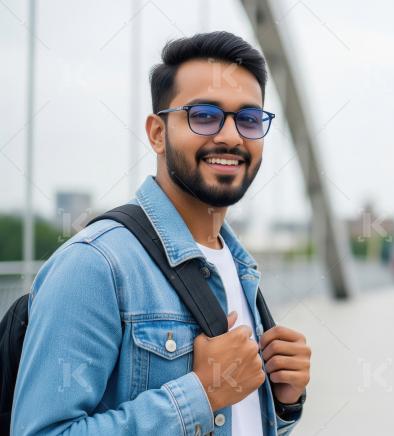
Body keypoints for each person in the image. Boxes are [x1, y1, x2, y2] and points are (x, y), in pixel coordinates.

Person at [12, 32, 310, 435]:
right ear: (157, 133)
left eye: (249, 118)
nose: (230, 136)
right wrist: (201, 394)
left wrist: (284, 404)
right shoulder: (95, 265)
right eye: (204, 115)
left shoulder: (240, 268)